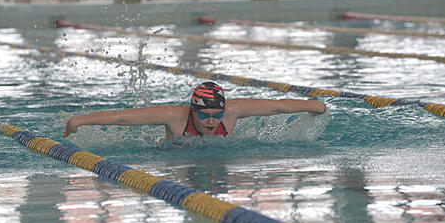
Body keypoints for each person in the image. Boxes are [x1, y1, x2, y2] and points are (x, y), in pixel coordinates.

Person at [63, 81, 326, 139]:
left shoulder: (232, 111)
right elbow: (123, 117)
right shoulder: (175, 116)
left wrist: (316, 105)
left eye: (216, 115)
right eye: (205, 115)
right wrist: (78, 121)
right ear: (193, 111)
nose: (212, 121)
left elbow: (277, 107)